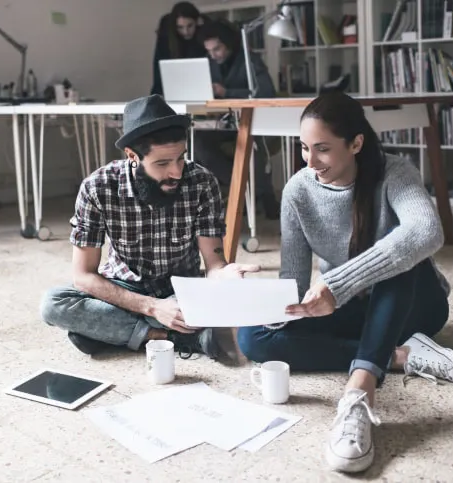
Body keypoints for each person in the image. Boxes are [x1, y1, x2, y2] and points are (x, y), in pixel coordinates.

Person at [236, 92, 453, 473]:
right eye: (304, 148)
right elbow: (294, 285)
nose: (310, 162)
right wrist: (263, 305)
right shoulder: (298, 191)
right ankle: (400, 357)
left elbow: (427, 231)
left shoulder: (396, 172)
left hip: (415, 305)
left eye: (323, 149)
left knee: (400, 249)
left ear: (356, 143)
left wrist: (339, 284)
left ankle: (359, 392)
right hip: (355, 311)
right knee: (252, 338)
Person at [40, 95, 259, 359]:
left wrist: (223, 275)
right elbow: (84, 276)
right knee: (54, 304)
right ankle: (172, 337)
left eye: (180, 158)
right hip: (124, 291)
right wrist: (154, 308)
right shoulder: (97, 187)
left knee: (243, 315)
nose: (177, 172)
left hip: (181, 292)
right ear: (132, 156)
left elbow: (213, 265)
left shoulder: (201, 182)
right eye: (163, 163)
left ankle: (115, 333)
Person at [193, 20, 280, 219]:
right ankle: (242, 187)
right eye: (209, 51)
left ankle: (257, 194)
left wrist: (227, 92)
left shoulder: (250, 60)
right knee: (198, 142)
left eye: (218, 49)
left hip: (253, 123)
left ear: (229, 44)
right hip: (223, 123)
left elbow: (266, 92)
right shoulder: (212, 63)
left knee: (250, 142)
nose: (214, 55)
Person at [150, 2, 209, 96]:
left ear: (197, 22)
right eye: (180, 27)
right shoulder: (166, 36)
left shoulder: (205, 32)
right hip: (170, 87)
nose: (185, 32)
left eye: (190, 26)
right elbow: (159, 68)